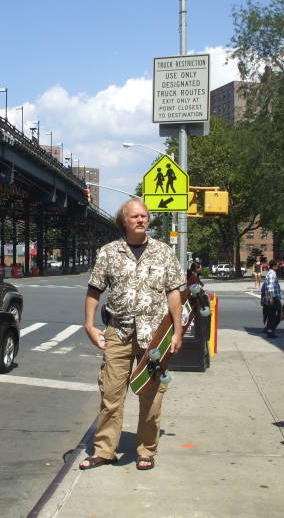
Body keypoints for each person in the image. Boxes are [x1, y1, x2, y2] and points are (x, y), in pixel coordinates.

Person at [79, 198, 184, 472]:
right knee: (111, 394)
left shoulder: (163, 252)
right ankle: (104, 450)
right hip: (119, 332)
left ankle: (146, 450)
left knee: (151, 395)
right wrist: (89, 325)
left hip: (155, 336)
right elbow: (94, 289)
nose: (141, 219)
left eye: (144, 216)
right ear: (124, 221)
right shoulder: (108, 252)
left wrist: (178, 332)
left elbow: (174, 292)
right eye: (135, 216)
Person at [263, 260, 281, 338]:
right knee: (279, 314)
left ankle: (269, 330)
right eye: (277, 265)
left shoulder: (270, 273)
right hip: (274, 297)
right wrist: (271, 299)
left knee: (272, 315)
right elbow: (270, 287)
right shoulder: (272, 274)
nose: (278, 266)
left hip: (272, 297)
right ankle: (270, 330)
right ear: (273, 266)